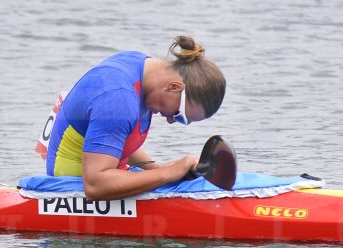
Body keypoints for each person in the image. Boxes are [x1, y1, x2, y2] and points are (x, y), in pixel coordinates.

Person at [45, 36, 226, 201]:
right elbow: (95, 186)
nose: (171, 120)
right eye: (179, 115)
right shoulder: (117, 99)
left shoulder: (141, 66)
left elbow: (113, 138)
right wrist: (169, 173)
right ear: (174, 87)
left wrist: (157, 169)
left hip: (108, 172)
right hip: (76, 184)